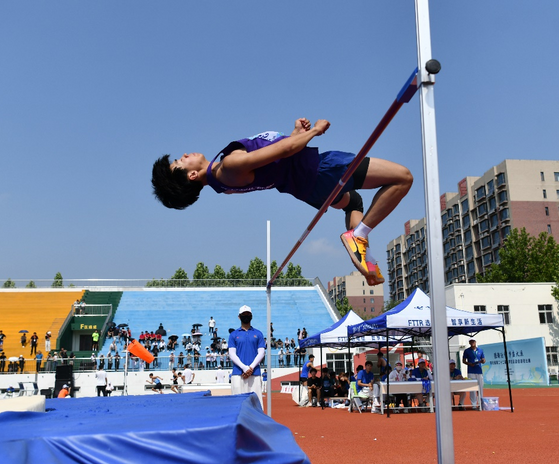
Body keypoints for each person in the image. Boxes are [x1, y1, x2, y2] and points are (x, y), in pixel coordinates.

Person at [152, 118, 413, 286]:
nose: (185, 154)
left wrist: (295, 134)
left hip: (306, 187)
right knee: (402, 178)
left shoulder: (222, 184)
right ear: (193, 175)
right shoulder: (229, 166)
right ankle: (360, 234)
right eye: (181, 161)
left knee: (353, 202)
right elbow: (284, 151)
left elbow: (273, 166)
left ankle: (362, 255)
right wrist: (313, 133)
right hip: (320, 171)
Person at [228, 305, 266, 409]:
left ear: (251, 316)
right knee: (237, 404)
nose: (246, 316)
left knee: (256, 404)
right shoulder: (233, 335)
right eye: (243, 315)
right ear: (239, 317)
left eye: (248, 314)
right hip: (238, 373)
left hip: (255, 374)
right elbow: (232, 353)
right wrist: (244, 368)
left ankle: (257, 425)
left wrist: (251, 368)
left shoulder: (258, 334)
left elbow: (261, 352)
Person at [463, 339, 485, 409]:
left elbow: (484, 359)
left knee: (480, 387)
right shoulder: (467, 351)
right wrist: (470, 364)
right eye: (471, 342)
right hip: (471, 371)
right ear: (469, 343)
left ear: (475, 342)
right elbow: (464, 361)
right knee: (472, 388)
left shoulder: (480, 350)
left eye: (473, 341)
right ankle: (474, 404)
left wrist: (483, 361)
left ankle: (481, 403)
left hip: (479, 370)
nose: (472, 343)